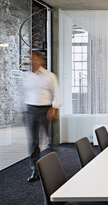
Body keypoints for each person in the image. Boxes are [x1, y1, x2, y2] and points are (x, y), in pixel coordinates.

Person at [23, 51, 61, 182]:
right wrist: (24, 111)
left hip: (45, 109)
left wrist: (54, 109)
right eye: (30, 59)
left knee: (49, 140)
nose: (32, 61)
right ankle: (35, 170)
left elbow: (56, 93)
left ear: (41, 61)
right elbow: (24, 94)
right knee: (33, 142)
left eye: (34, 59)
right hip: (30, 109)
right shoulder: (27, 76)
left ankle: (53, 169)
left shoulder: (49, 76)